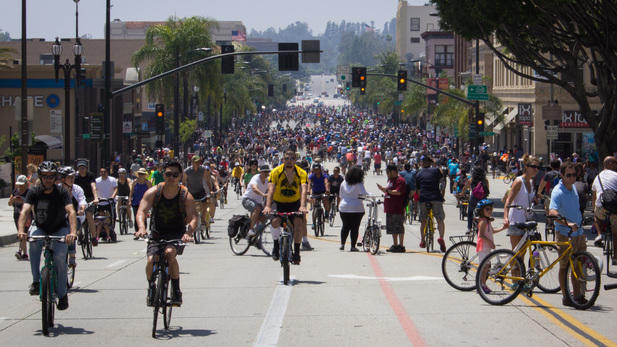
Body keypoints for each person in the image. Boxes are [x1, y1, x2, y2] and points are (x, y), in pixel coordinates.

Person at [135, 160, 197, 307]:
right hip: (157, 233)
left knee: (170, 253)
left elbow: (194, 217)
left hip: (176, 234)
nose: (171, 177)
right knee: (151, 260)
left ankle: (176, 290)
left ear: (180, 176)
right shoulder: (154, 192)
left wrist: (188, 232)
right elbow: (141, 211)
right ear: (164, 175)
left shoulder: (185, 195)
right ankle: (151, 287)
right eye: (168, 174)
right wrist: (141, 228)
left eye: (175, 175)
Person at [17, 161, 77, 310]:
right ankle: (36, 282)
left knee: (59, 258)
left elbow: (71, 212)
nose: (48, 180)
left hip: (59, 228)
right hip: (40, 227)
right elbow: (24, 211)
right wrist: (21, 230)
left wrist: (73, 232)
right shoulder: (34, 191)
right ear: (41, 177)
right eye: (45, 176)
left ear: (55, 177)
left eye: (51, 177)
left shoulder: (61, 192)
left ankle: (62, 295)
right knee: (34, 243)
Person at [548, 162, 586, 307]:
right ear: (562, 175)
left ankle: (578, 295)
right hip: (565, 233)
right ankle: (566, 296)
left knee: (579, 265)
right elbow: (552, 211)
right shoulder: (558, 191)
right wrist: (567, 223)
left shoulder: (574, 189)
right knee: (565, 266)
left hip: (579, 233)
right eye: (568, 175)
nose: (572, 178)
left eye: (574, 175)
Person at [263, 150, 309, 264]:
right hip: (278, 203)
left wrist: (303, 206)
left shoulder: (301, 173)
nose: (289, 161)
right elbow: (271, 190)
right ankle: (275, 244)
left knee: (299, 222)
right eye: (286, 158)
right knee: (275, 222)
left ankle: (297, 252)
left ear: (295, 160)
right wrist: (268, 206)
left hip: (294, 203)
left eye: (292, 158)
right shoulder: (275, 172)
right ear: (283, 160)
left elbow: (303, 190)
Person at [504, 155, 541, 251]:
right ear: (526, 167)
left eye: (538, 167)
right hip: (516, 220)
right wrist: (505, 217)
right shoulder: (518, 181)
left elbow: (529, 198)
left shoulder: (531, 182)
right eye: (534, 167)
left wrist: (535, 199)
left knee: (523, 252)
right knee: (516, 253)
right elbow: (508, 200)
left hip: (527, 222)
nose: (536, 170)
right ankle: (512, 266)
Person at [412, 155, 447, 252]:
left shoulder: (418, 173)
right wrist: (442, 195)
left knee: (423, 221)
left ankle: (423, 240)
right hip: (436, 197)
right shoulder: (436, 170)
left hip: (424, 198)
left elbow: (418, 190)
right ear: (430, 163)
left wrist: (418, 201)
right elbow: (442, 181)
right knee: (440, 220)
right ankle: (441, 237)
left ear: (422, 163)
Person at [476, 199, 508, 293]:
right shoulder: (483, 222)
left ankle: (482, 284)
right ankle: (481, 285)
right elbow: (481, 235)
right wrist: (490, 242)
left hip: (487, 247)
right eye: (487, 209)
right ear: (482, 211)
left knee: (487, 266)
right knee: (484, 267)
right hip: (483, 246)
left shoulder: (487, 221)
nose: (490, 211)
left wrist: (502, 228)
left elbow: (492, 231)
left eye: (491, 209)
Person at [58, 166, 87, 269]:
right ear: (63, 179)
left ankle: (72, 257)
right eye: (69, 177)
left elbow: (82, 200)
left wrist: (82, 209)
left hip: (76, 218)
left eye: (73, 177)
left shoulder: (77, 189)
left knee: (70, 232)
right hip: (60, 218)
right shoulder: (57, 189)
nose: (72, 179)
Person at [591, 156, 617, 262]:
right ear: (610, 164)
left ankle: (599, 234)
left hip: (601, 208)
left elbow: (594, 197)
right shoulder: (616, 175)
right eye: (615, 163)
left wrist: (594, 209)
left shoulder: (597, 177)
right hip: (615, 209)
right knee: (616, 233)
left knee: (596, 217)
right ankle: (616, 257)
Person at [377, 163, 407, 253]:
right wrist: (383, 189)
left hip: (397, 207)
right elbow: (388, 189)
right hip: (390, 208)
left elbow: (398, 192)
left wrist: (386, 190)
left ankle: (401, 245)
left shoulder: (400, 180)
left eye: (388, 172)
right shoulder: (390, 180)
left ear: (393, 171)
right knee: (393, 228)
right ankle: (395, 244)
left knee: (399, 227)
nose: (387, 174)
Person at [338, 166, 367, 251]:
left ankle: (342, 244)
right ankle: (353, 246)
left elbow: (341, 195)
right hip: (357, 207)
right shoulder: (359, 184)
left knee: (345, 226)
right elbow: (364, 194)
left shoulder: (343, 183)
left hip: (344, 207)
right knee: (355, 227)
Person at [242, 165, 271, 238]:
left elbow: (271, 191)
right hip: (247, 200)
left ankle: (256, 233)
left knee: (265, 216)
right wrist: (263, 194)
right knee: (257, 208)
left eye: (268, 172)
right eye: (265, 172)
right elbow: (254, 188)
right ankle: (251, 230)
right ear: (260, 172)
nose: (266, 174)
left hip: (258, 202)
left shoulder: (267, 181)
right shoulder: (255, 178)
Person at [183, 156, 210, 229]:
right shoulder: (187, 171)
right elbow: (183, 183)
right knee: (187, 207)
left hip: (201, 191)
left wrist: (210, 192)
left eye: (198, 162)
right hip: (191, 192)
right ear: (192, 162)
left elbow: (207, 181)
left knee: (206, 203)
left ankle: (203, 219)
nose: (197, 164)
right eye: (196, 162)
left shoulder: (203, 169)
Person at [74, 160, 99, 241]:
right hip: (78, 199)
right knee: (78, 215)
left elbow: (93, 187)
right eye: (80, 168)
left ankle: (94, 237)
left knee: (88, 214)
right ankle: (79, 233)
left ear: (86, 168)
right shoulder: (75, 177)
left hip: (89, 198)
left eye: (83, 168)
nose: (82, 170)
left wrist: (95, 198)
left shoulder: (90, 176)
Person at [463, 167, 490, 233]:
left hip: (474, 197)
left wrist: (462, 193)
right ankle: (485, 227)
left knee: (470, 212)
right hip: (483, 198)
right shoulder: (485, 180)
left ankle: (469, 228)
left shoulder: (472, 179)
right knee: (483, 213)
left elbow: (465, 187)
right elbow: (488, 189)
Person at [9, 175, 30, 260]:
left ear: (26, 184)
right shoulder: (15, 191)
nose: (20, 187)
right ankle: (24, 254)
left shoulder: (29, 192)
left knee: (23, 234)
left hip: (26, 215)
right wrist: (13, 199)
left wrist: (23, 200)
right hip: (16, 215)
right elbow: (9, 203)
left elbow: (31, 204)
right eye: (19, 185)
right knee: (21, 234)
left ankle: (20, 251)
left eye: (22, 185)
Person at [130, 168, 153, 237]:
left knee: (144, 217)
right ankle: (137, 231)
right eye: (139, 174)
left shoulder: (148, 183)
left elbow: (150, 192)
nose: (141, 175)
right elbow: (131, 192)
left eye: (142, 174)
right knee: (136, 216)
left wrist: (151, 201)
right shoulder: (134, 182)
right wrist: (129, 200)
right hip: (135, 201)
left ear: (144, 175)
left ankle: (143, 231)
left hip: (144, 202)